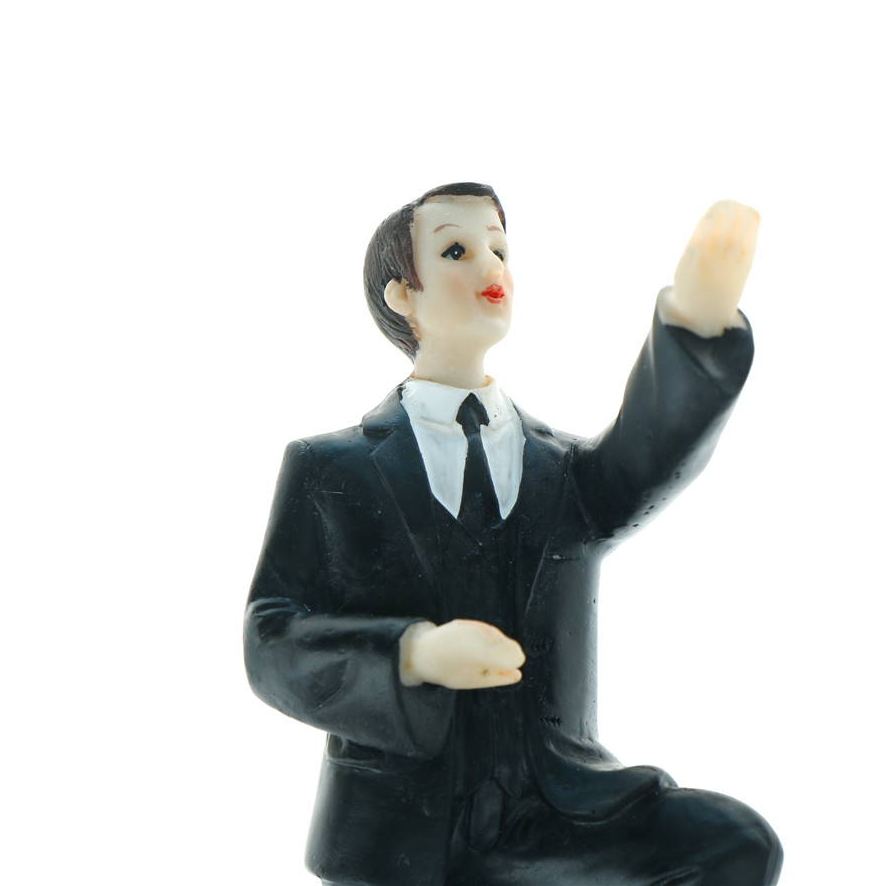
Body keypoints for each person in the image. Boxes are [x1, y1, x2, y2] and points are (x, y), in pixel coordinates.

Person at [245, 183, 782, 886]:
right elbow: (271, 639)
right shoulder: (328, 468)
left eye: (499, 249)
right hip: (402, 831)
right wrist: (412, 654)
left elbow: (644, 458)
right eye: (456, 251)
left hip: (556, 809)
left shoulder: (562, 472)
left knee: (734, 845)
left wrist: (696, 328)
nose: (490, 266)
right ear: (402, 295)